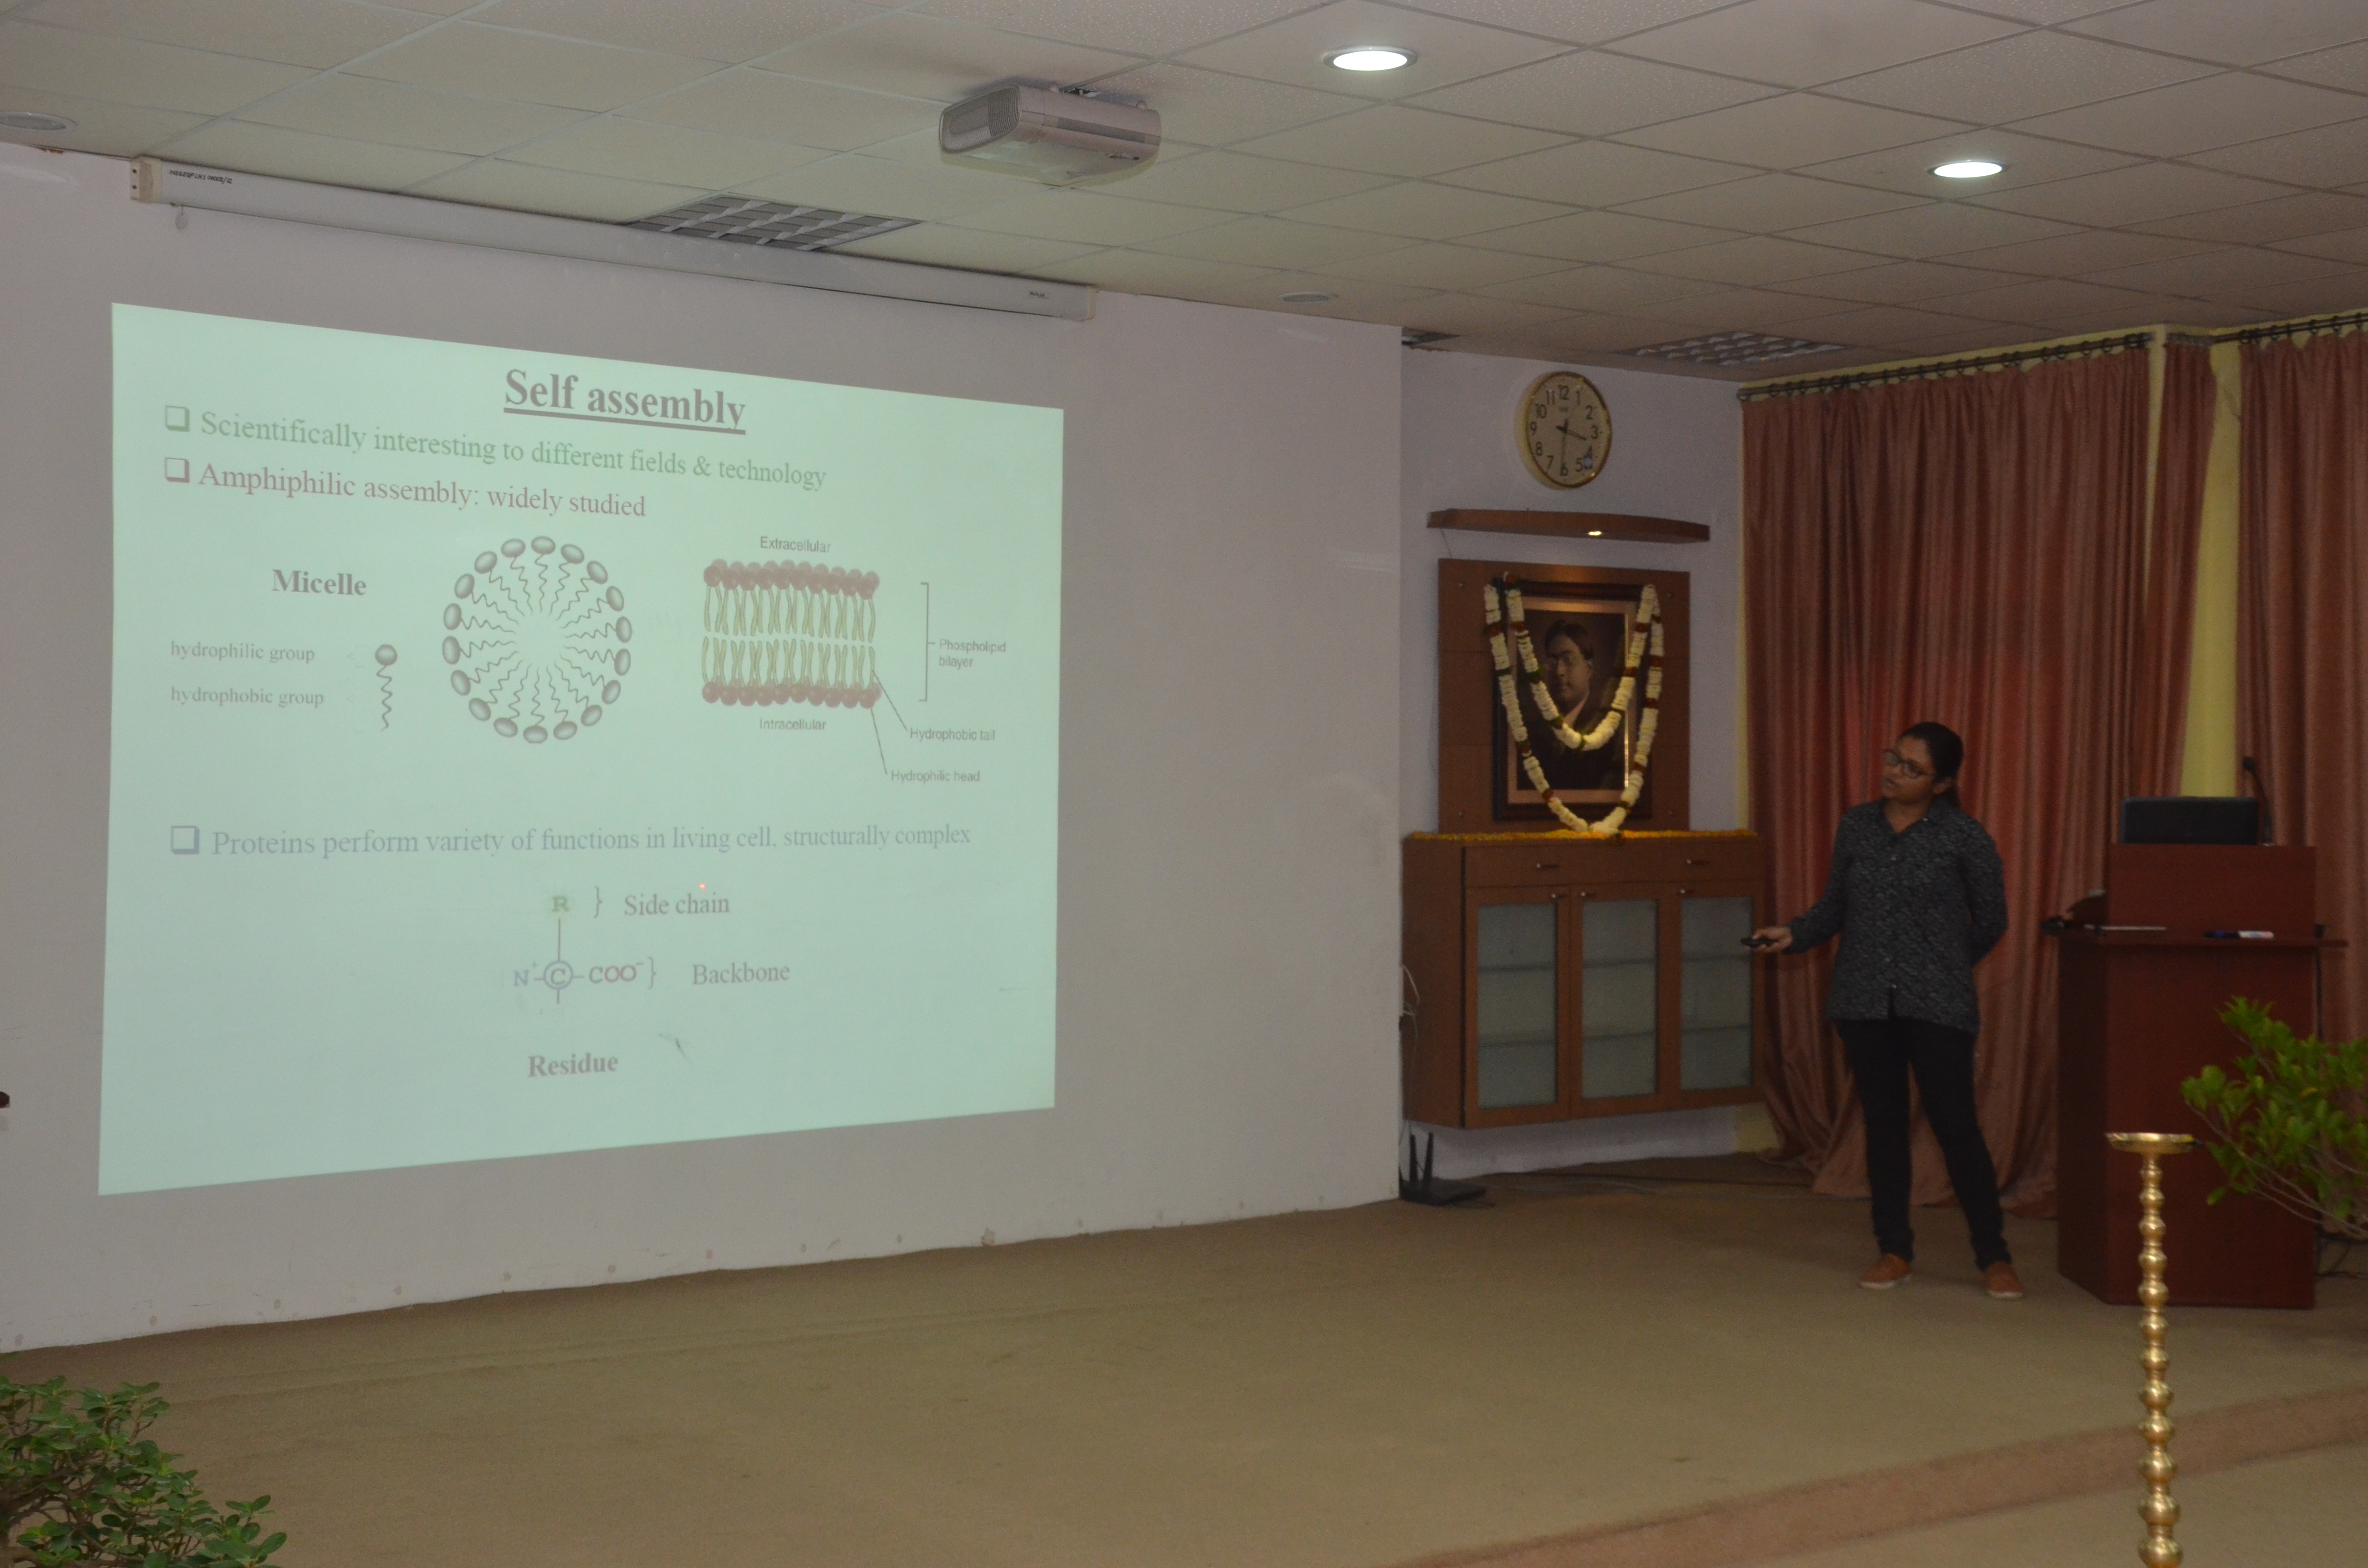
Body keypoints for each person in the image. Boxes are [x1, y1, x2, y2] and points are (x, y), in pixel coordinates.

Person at [1750, 722, 2022, 1299]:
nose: (1893, 773)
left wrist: (1944, 963)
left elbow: (1991, 920)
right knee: (1883, 1127)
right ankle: (1893, 1249)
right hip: (1864, 998)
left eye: (1911, 768)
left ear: (1941, 784)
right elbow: (1834, 907)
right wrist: (1793, 934)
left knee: (1955, 1126)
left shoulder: (1963, 837)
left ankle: (1993, 1255)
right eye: (1893, 758)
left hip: (1937, 1003)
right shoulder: (1856, 825)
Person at [1526, 619, 1624, 793]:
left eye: (1568, 660)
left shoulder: (1608, 727)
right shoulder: (1533, 730)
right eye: (1553, 662)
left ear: (1589, 669)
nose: (1559, 671)